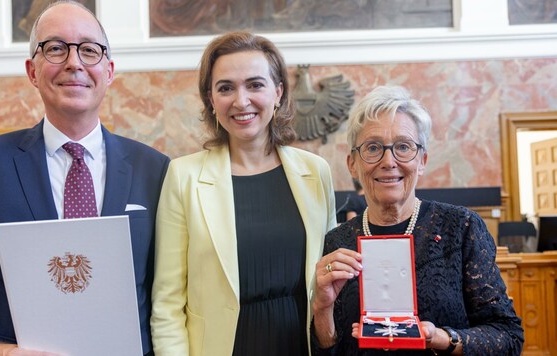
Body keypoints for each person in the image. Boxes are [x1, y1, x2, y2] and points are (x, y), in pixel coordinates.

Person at [0, 2, 169, 355]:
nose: (74, 63)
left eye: (89, 50)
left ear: (110, 71)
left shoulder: (156, 169)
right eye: (55, 48)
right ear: (32, 71)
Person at [150, 31, 336, 356]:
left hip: (299, 345)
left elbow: (331, 279)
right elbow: (167, 304)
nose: (241, 100)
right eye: (226, 88)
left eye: (255, 84)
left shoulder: (316, 172)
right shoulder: (183, 177)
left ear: (278, 92)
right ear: (210, 99)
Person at [310, 85, 523, 355]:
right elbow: (326, 349)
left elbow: (508, 337)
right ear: (353, 164)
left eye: (403, 146)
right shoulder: (337, 241)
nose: (389, 161)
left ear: (422, 160)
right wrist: (322, 307)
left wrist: (442, 338)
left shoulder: (461, 228)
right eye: (373, 148)